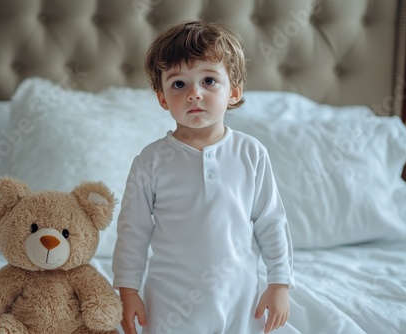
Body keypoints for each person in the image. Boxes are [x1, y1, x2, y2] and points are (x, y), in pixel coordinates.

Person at [112, 20, 295, 334]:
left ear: (234, 92)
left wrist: (279, 283)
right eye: (179, 84)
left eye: (209, 80)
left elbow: (271, 221)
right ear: (162, 98)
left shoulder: (251, 154)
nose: (194, 94)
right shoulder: (150, 161)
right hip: (169, 298)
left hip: (239, 296)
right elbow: (133, 231)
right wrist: (128, 292)